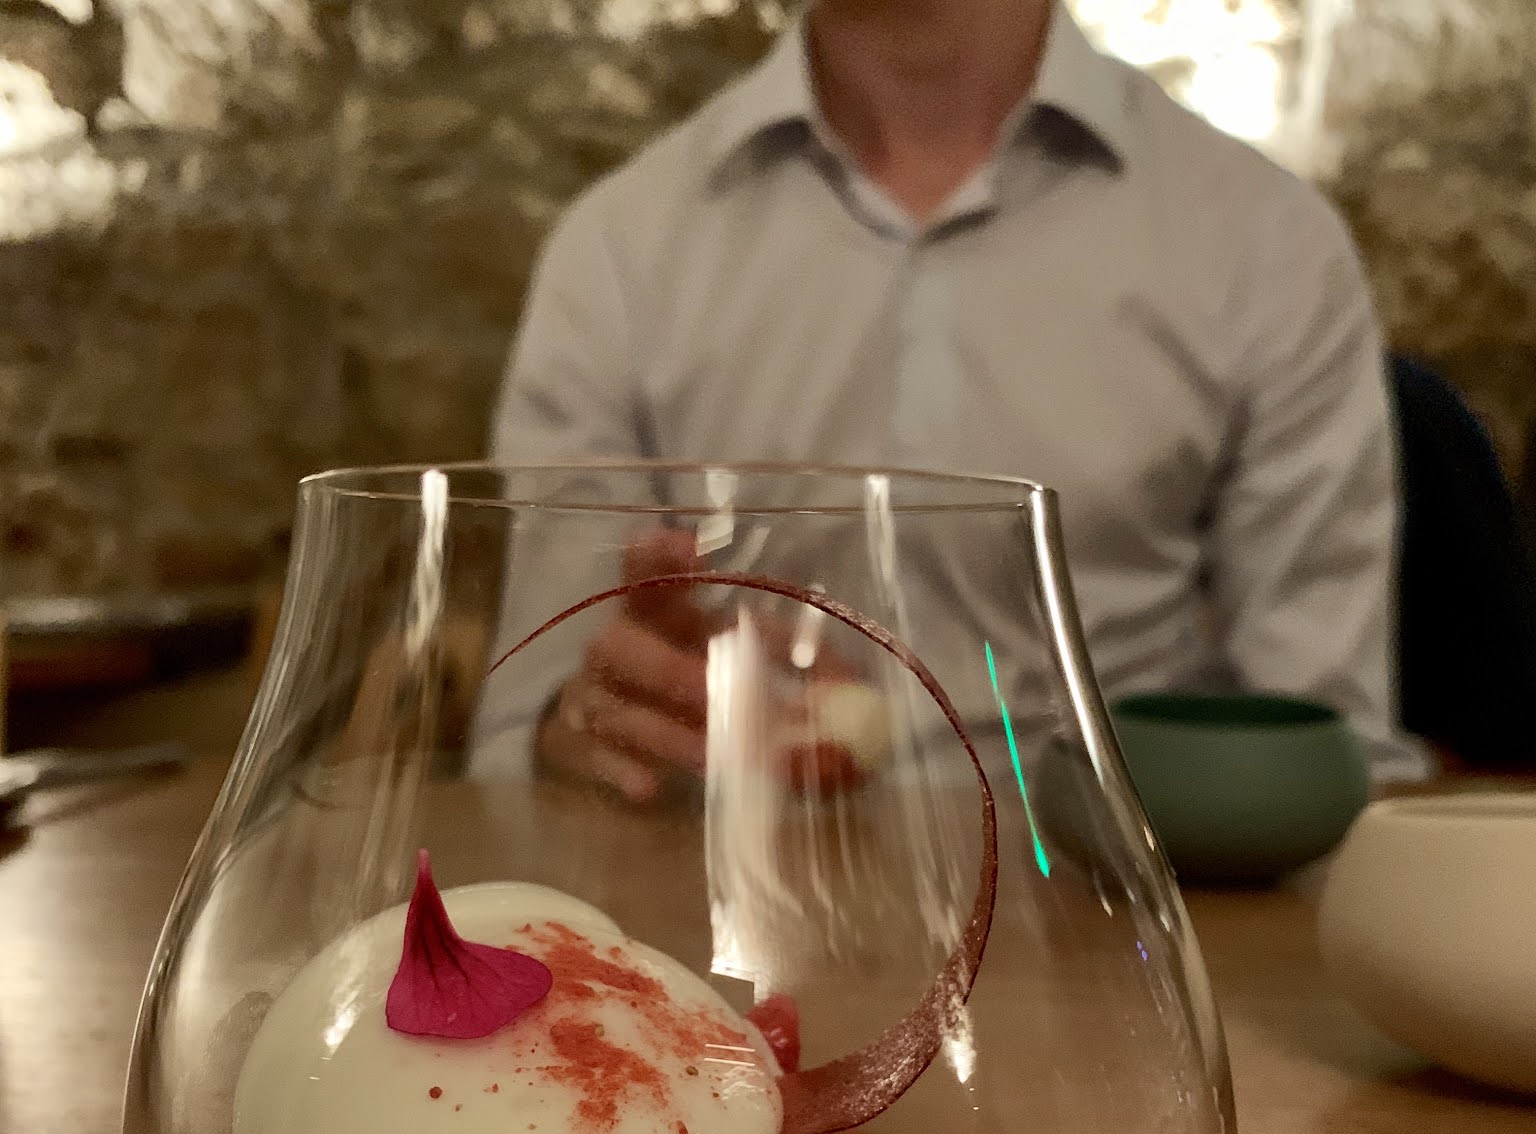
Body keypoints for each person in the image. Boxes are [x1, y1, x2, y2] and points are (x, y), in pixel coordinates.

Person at [477, 0, 1427, 801]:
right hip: (722, 916)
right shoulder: (621, 250)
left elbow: (1323, 757)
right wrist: (594, 727)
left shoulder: (1266, 247)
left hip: (1115, 920)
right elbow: (524, 734)